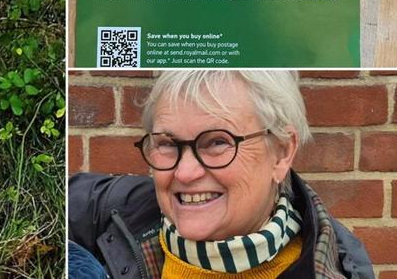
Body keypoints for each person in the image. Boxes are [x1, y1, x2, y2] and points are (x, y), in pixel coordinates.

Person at [68, 71, 374, 279]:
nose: (185, 173)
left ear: (281, 152)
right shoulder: (109, 212)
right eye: (167, 144)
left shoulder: (333, 269)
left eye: (217, 142)